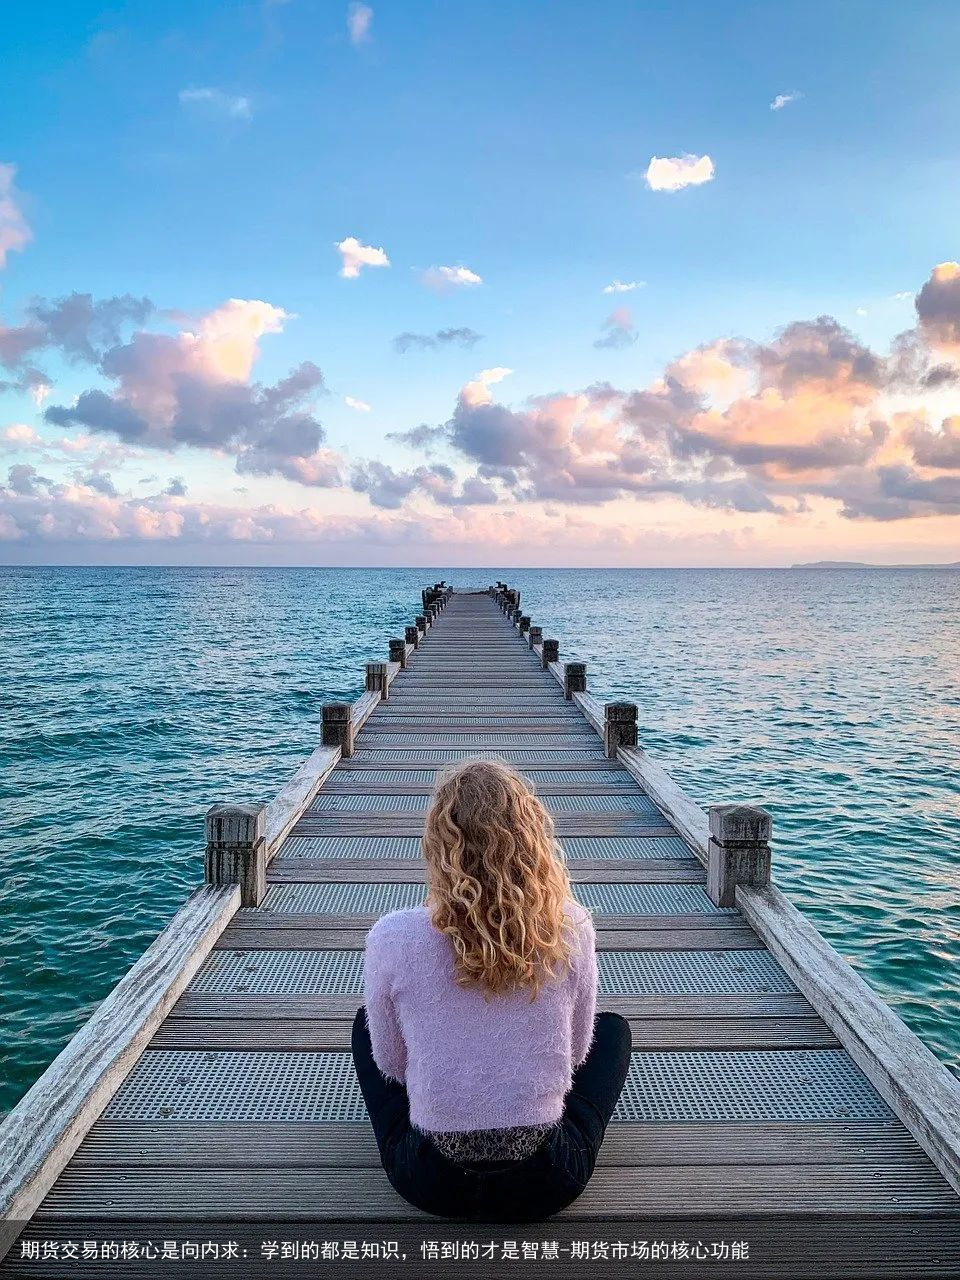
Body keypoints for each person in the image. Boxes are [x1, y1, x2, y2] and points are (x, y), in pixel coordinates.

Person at [351, 757, 632, 1222]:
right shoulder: (571, 926)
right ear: (532, 843)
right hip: (546, 1181)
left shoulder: (392, 936)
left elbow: (391, 1065)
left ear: (438, 847)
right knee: (614, 1032)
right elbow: (579, 1052)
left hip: (430, 1182)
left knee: (366, 1025)